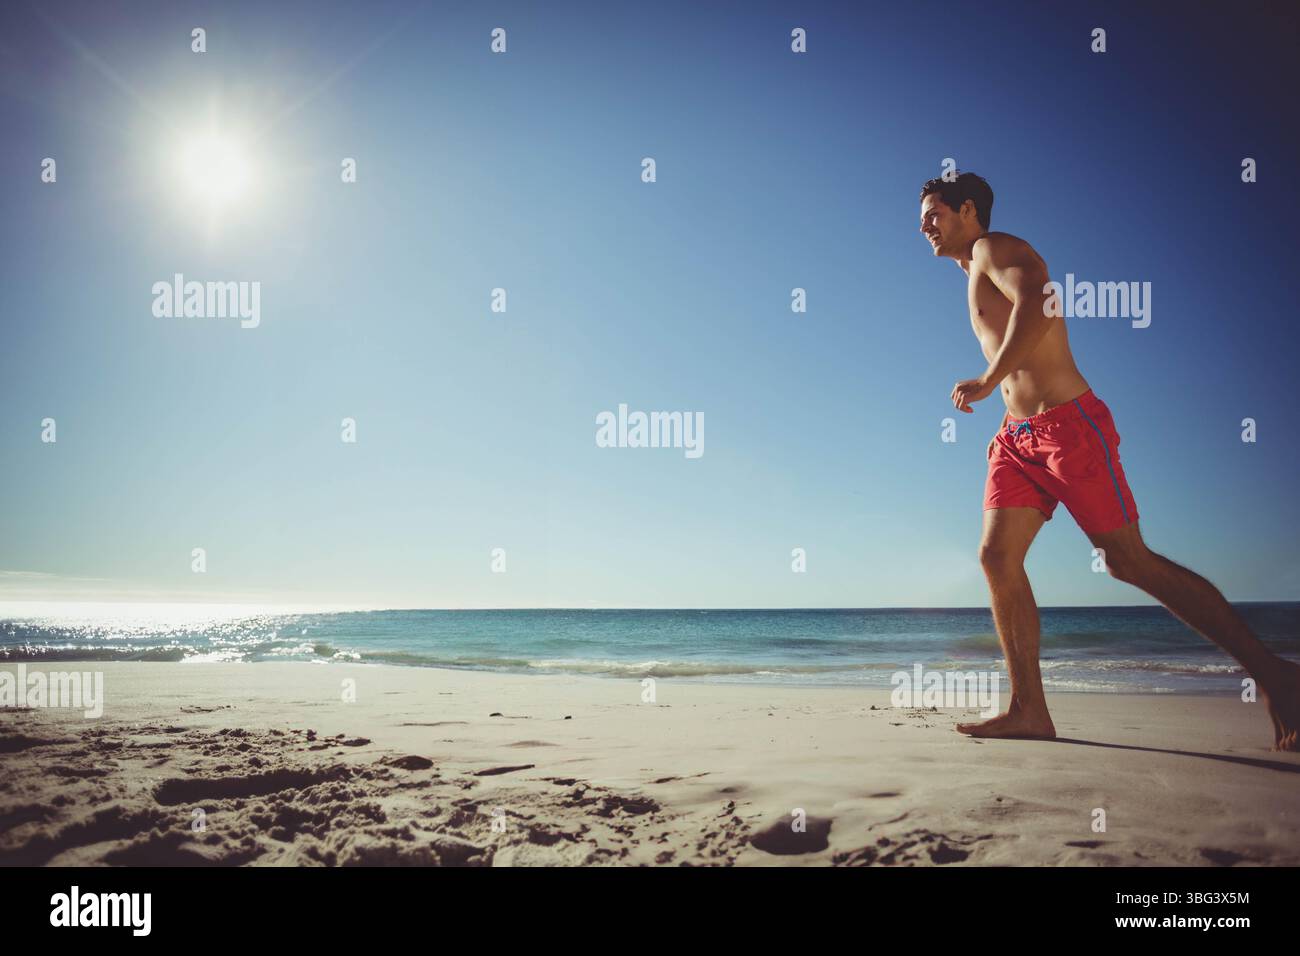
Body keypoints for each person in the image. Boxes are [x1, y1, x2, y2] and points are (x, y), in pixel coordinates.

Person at [918, 171, 1299, 749]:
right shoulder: (969, 271)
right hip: (1017, 439)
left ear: (968, 210)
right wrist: (1005, 406)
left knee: (1127, 561)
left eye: (935, 212)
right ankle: (1029, 711)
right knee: (997, 557)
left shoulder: (994, 248)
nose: (924, 224)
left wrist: (989, 378)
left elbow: (1041, 302)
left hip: (1071, 428)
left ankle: (1273, 674)